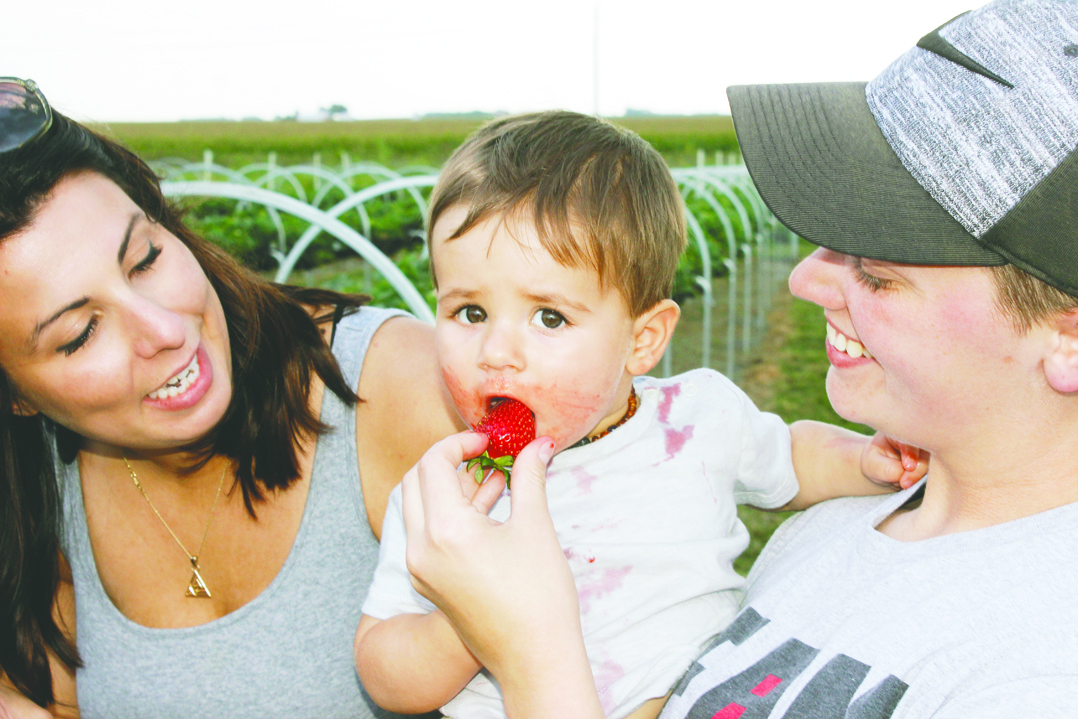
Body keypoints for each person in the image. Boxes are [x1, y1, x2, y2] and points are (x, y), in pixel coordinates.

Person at [389, 0, 1078, 717]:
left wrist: (530, 651)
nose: (803, 279)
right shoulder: (829, 531)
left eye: (876, 270)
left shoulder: (1041, 673)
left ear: (1067, 336)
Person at [353, 111, 927, 719]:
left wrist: (865, 461)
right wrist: (470, 619)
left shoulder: (696, 420)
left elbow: (790, 458)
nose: (496, 351)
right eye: (469, 312)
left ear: (642, 339)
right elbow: (383, 671)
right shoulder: (444, 501)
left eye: (549, 318)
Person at [0, 78, 462, 718]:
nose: (164, 331)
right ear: (17, 397)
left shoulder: (397, 388)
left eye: (146, 259)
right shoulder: (43, 489)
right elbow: (48, 696)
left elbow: (610, 656)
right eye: (80, 334)